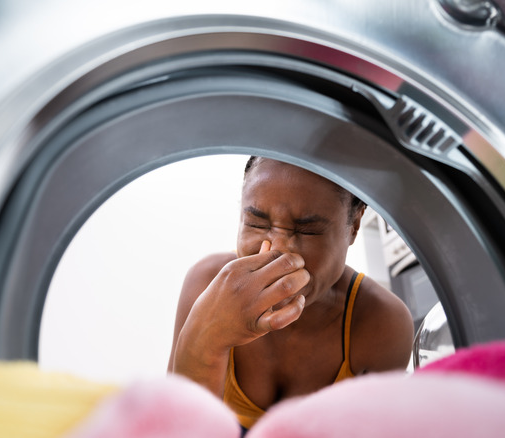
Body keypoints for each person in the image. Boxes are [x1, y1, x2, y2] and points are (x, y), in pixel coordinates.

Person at [167, 157, 414, 431]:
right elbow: (175, 429)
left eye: (306, 230)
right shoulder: (207, 284)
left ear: (354, 225)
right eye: (257, 224)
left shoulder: (381, 323)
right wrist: (207, 339)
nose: (278, 251)